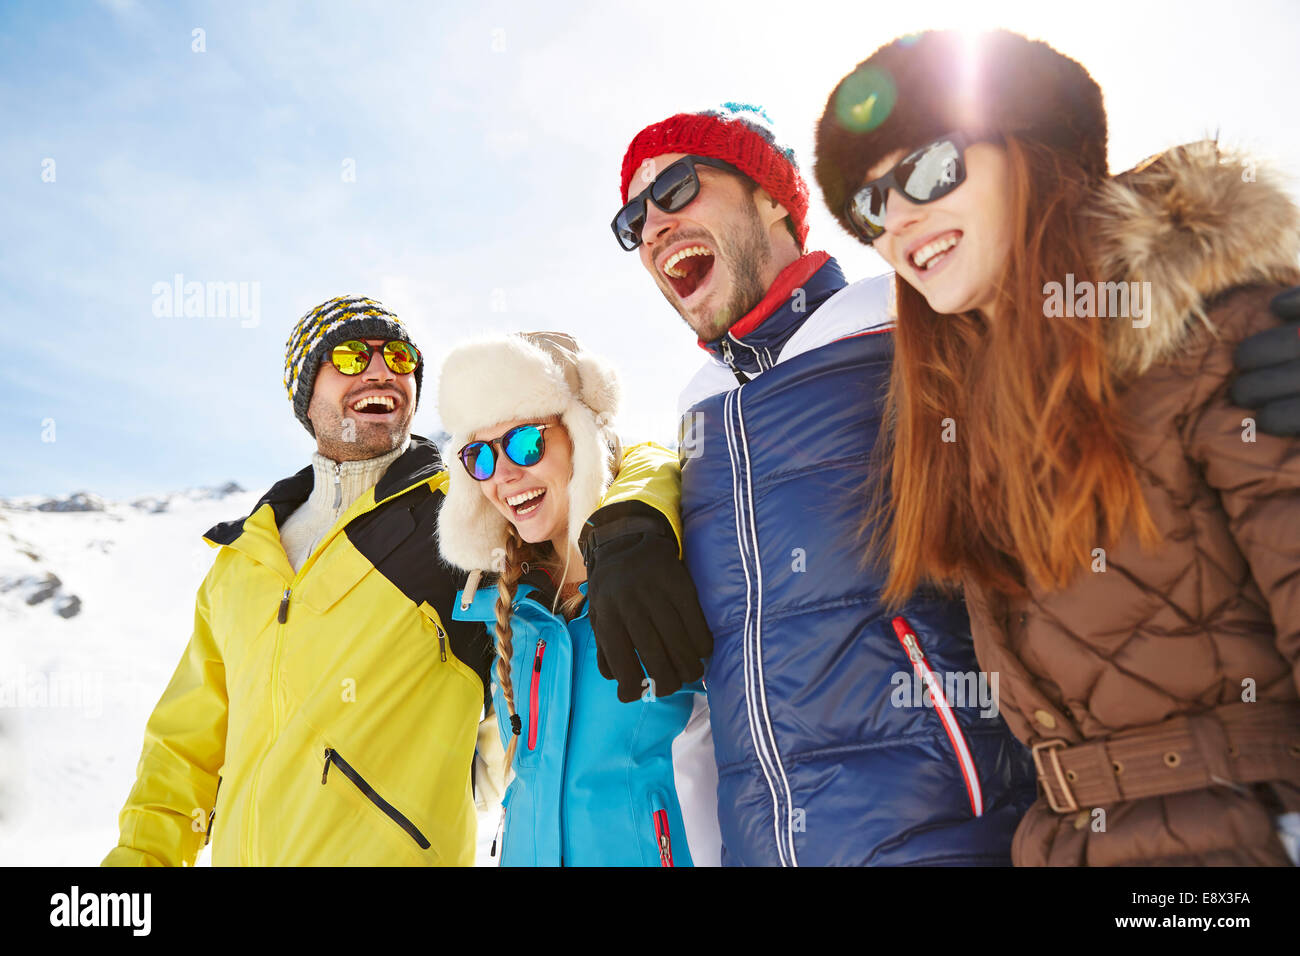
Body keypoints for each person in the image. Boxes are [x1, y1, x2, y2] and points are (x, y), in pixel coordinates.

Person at [813, 28, 1300, 865]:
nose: (897, 220)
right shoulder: (966, 425)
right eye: (869, 206)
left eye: (929, 169)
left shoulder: (1220, 338)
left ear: (1034, 149)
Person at [597, 103, 1037, 866]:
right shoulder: (697, 406)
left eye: (675, 191)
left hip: (947, 834)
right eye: (634, 219)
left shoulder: (904, 315)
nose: (655, 225)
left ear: (773, 197)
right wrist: (633, 508)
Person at [101, 296, 681, 866]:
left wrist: (634, 522)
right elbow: (184, 748)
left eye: (400, 358)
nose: (381, 369)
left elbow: (617, 456)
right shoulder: (242, 559)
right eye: (352, 356)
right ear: (305, 394)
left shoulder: (458, 518)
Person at [437, 331, 719, 866]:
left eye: (525, 442)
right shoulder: (510, 607)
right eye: (479, 456)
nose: (504, 474)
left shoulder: (672, 559)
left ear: (580, 436)